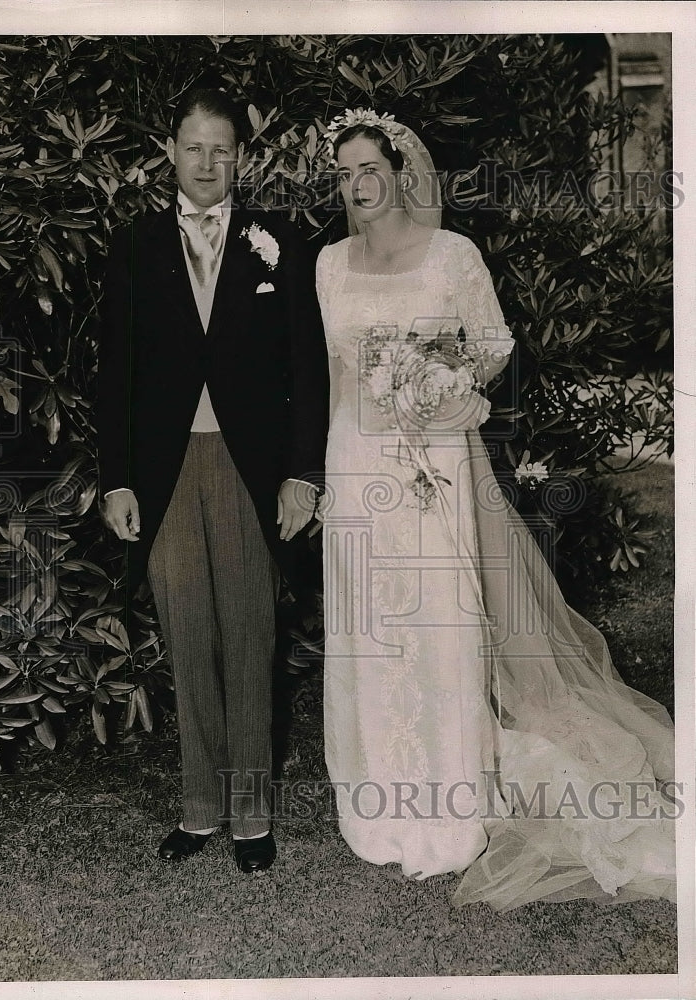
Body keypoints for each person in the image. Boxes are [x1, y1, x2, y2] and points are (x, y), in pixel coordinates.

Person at [314, 108, 676, 909]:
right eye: (343, 174)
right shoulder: (329, 265)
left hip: (437, 461)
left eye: (368, 167)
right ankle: (380, 801)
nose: (357, 186)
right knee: (372, 629)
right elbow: (337, 376)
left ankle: (451, 804)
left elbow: (490, 346)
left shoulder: (453, 255)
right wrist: (334, 472)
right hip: (356, 461)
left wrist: (432, 379)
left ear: (401, 169)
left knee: (441, 624)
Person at [97, 88, 329, 873]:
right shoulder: (133, 243)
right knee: (186, 634)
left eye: (222, 150)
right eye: (194, 147)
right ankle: (199, 807)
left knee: (250, 636)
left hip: (247, 467)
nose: (207, 163)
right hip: (162, 472)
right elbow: (116, 373)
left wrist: (302, 473)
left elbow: (306, 366)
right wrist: (117, 481)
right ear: (170, 151)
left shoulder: (278, 240)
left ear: (241, 156)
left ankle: (252, 813)